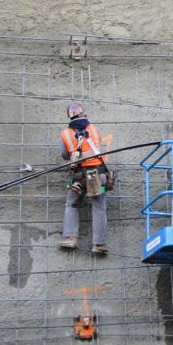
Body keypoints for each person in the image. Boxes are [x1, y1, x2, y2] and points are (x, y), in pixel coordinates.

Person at [59, 102, 111, 254]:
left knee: (72, 205)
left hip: (79, 176)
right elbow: (97, 146)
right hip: (98, 173)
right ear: (83, 114)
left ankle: (70, 238)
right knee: (99, 208)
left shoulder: (65, 134)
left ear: (70, 117)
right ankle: (99, 244)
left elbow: (64, 155)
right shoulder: (94, 129)